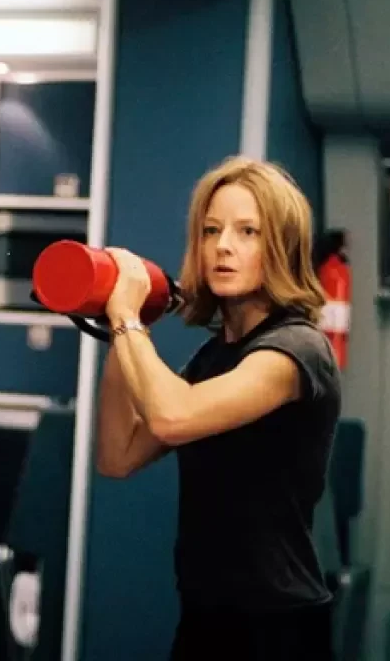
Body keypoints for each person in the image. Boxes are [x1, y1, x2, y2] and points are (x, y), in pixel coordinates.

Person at [94, 156, 341, 660]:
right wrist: (123, 327)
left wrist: (127, 321)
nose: (223, 245)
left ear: (281, 247)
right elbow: (118, 456)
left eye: (248, 231)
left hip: (276, 629)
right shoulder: (213, 359)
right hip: (205, 617)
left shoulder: (297, 350)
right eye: (211, 230)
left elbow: (173, 416)